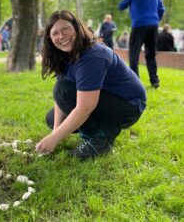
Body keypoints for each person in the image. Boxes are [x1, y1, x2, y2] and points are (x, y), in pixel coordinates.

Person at [35, 10, 146, 161]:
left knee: (63, 90)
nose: (61, 36)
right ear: (49, 38)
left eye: (65, 29)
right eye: (55, 33)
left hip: (128, 107)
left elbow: (85, 106)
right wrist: (56, 132)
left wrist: (54, 139)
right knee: (52, 118)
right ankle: (105, 127)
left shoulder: (92, 55)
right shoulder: (64, 55)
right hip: (104, 99)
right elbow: (60, 99)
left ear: (77, 27)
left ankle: (100, 139)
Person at [118, 0, 165, 88]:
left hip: (139, 25)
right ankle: (154, 80)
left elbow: (121, 6)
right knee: (151, 54)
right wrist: (155, 19)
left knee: (134, 53)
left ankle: (135, 81)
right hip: (153, 25)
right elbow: (162, 8)